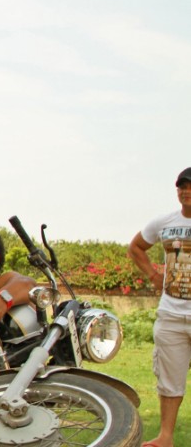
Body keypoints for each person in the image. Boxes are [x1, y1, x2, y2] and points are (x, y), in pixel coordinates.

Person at [127, 167, 191, 447]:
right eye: (182, 186)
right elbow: (136, 247)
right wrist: (153, 275)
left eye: (190, 187)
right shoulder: (165, 222)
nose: (186, 191)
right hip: (171, 315)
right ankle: (165, 437)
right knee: (169, 378)